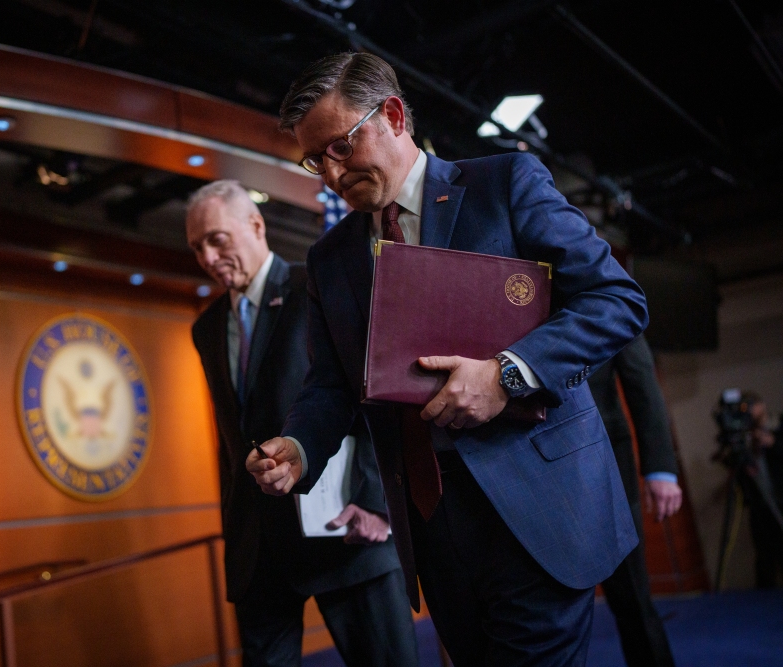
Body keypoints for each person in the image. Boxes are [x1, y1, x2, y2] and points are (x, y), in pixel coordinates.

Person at [245, 53, 649, 666]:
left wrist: (506, 375)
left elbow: (615, 300)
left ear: (395, 115)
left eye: (340, 147)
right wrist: (299, 449)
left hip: (536, 512)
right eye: (313, 160)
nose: (329, 173)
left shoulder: (506, 184)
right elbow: (331, 386)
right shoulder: (329, 261)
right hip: (432, 532)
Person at [186, 180, 419, 667]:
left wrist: (377, 503)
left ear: (255, 225)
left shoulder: (317, 284)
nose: (208, 256)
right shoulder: (205, 328)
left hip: (347, 533)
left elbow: (378, 396)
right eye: (197, 247)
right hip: (258, 549)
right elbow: (234, 435)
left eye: (217, 239)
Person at [587, 334, 683, 667]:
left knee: (632, 597)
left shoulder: (601, 285)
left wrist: (660, 469)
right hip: (521, 465)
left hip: (603, 459)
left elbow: (639, 373)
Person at [744, 392, 783, 588]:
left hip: (779, 502)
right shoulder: (745, 438)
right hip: (761, 508)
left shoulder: (779, 426)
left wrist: (773, 443)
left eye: (751, 404)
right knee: (765, 560)